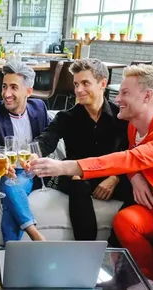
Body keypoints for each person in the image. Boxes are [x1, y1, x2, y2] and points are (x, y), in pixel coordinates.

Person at [28, 64, 153, 290]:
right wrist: (136, 175)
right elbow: (132, 156)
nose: (118, 98)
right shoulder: (132, 125)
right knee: (123, 219)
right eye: (76, 84)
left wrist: (65, 167)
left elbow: (130, 157)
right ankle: (148, 277)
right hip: (152, 201)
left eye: (124, 93)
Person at [34, 58, 133, 242]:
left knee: (140, 189)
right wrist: (31, 152)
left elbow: (130, 153)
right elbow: (45, 141)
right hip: (76, 176)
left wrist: (115, 178)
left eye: (85, 83)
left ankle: (114, 248)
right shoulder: (66, 117)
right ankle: (86, 249)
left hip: (109, 174)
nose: (78, 90)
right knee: (78, 184)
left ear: (103, 83)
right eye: (76, 84)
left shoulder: (121, 117)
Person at [0, 60, 50, 242]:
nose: (6, 94)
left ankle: (8, 255)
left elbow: (48, 140)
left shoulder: (39, 108)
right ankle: (35, 234)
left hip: (27, 172)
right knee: (11, 183)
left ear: (28, 92)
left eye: (13, 87)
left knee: (12, 197)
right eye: (4, 87)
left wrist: (38, 156)